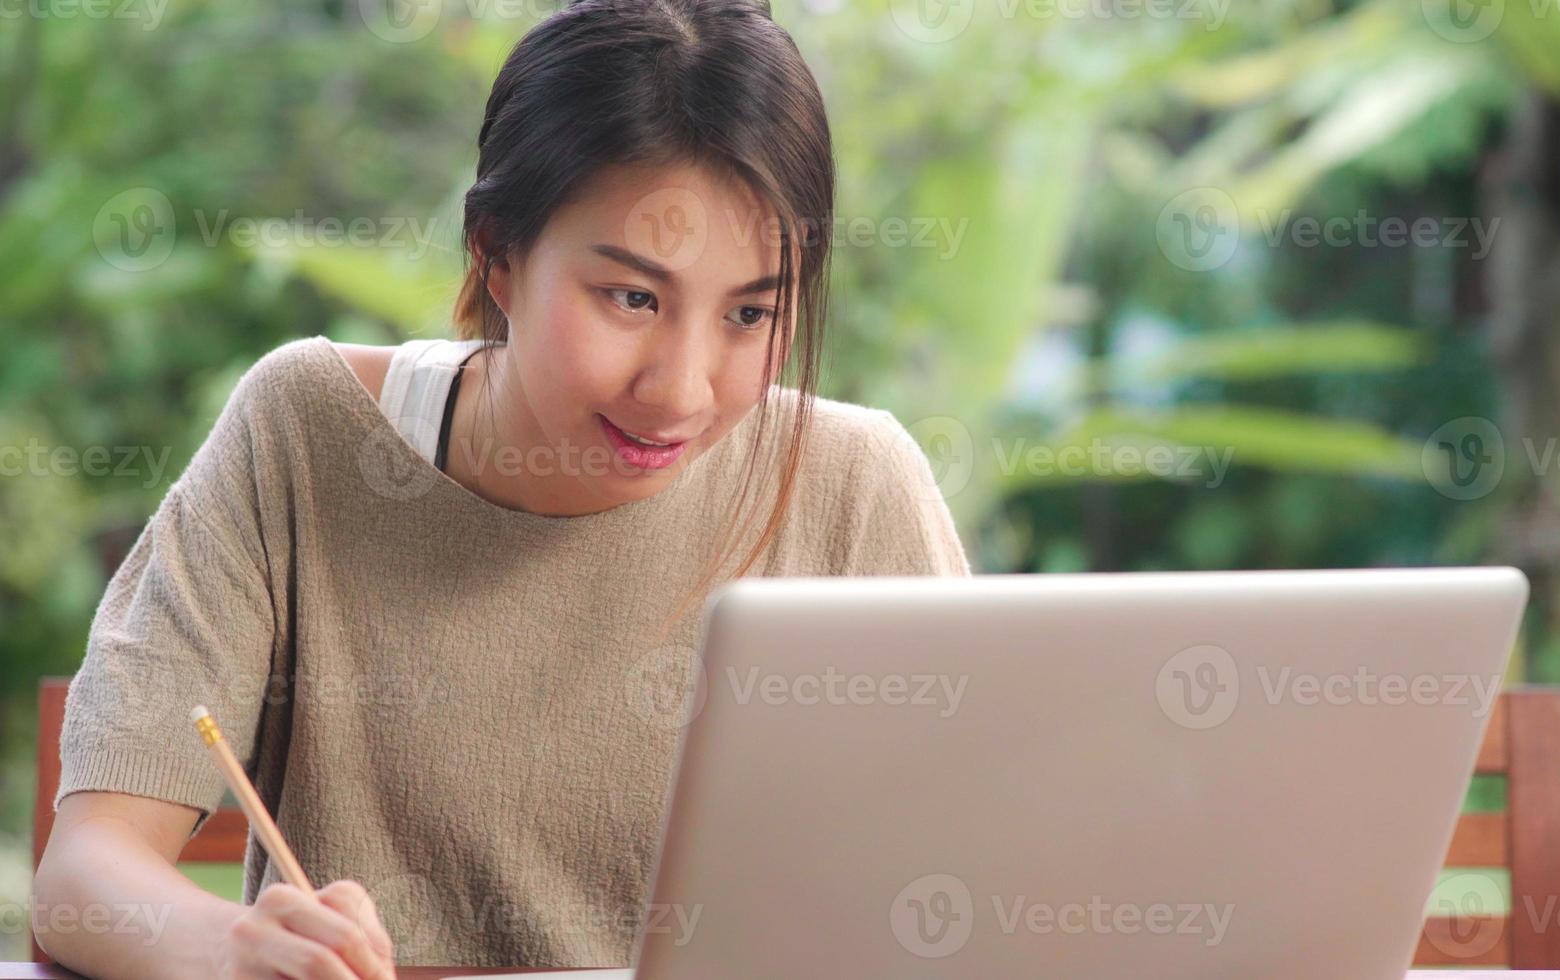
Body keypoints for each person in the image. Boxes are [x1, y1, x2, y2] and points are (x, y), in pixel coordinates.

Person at [31, 2, 970, 977]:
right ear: (496, 255)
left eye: (748, 311)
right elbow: (88, 870)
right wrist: (230, 948)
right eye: (632, 297)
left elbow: (979, 869)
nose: (680, 389)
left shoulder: (856, 486)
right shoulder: (304, 435)